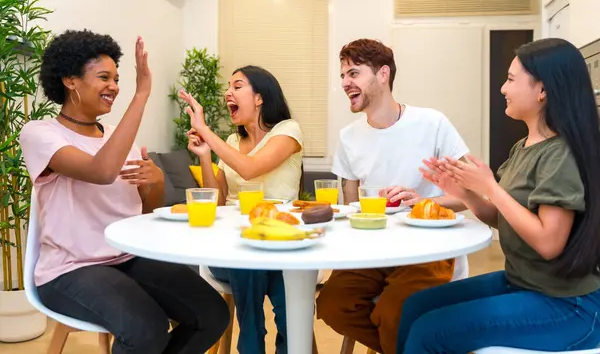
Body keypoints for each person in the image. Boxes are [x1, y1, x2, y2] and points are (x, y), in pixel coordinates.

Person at [19, 30, 229, 354]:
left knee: (212, 314)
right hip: (71, 269)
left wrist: (155, 183)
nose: (115, 87)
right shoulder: (40, 134)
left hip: (127, 258)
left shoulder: (119, 137)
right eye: (104, 77)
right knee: (146, 330)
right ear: (69, 80)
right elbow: (101, 172)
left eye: (117, 78)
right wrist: (142, 93)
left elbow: (142, 215)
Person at [396, 38, 600, 353]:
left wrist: (490, 187)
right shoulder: (524, 147)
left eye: (510, 80)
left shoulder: (561, 154)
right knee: (414, 307)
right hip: (523, 283)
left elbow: (548, 242)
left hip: (569, 305)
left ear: (542, 90)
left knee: (428, 332)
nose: (503, 89)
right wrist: (466, 194)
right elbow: (502, 217)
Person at [315, 38, 471, 354]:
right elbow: (349, 204)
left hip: (429, 249)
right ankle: (418, 347)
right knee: (332, 305)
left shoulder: (432, 123)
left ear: (383, 74)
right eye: (343, 75)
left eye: (354, 73)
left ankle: (408, 341)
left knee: (391, 313)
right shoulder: (349, 138)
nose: (345, 83)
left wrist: (423, 202)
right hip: (374, 250)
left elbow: (472, 193)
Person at [179, 65, 303, 354]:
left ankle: (260, 341)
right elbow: (217, 201)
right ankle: (256, 336)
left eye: (237, 86)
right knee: (249, 259)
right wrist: (205, 156)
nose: (227, 93)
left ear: (259, 97)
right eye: (228, 87)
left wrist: (205, 131)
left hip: (281, 242)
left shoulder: (288, 131)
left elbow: (249, 170)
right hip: (234, 246)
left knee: (272, 271)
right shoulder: (233, 142)